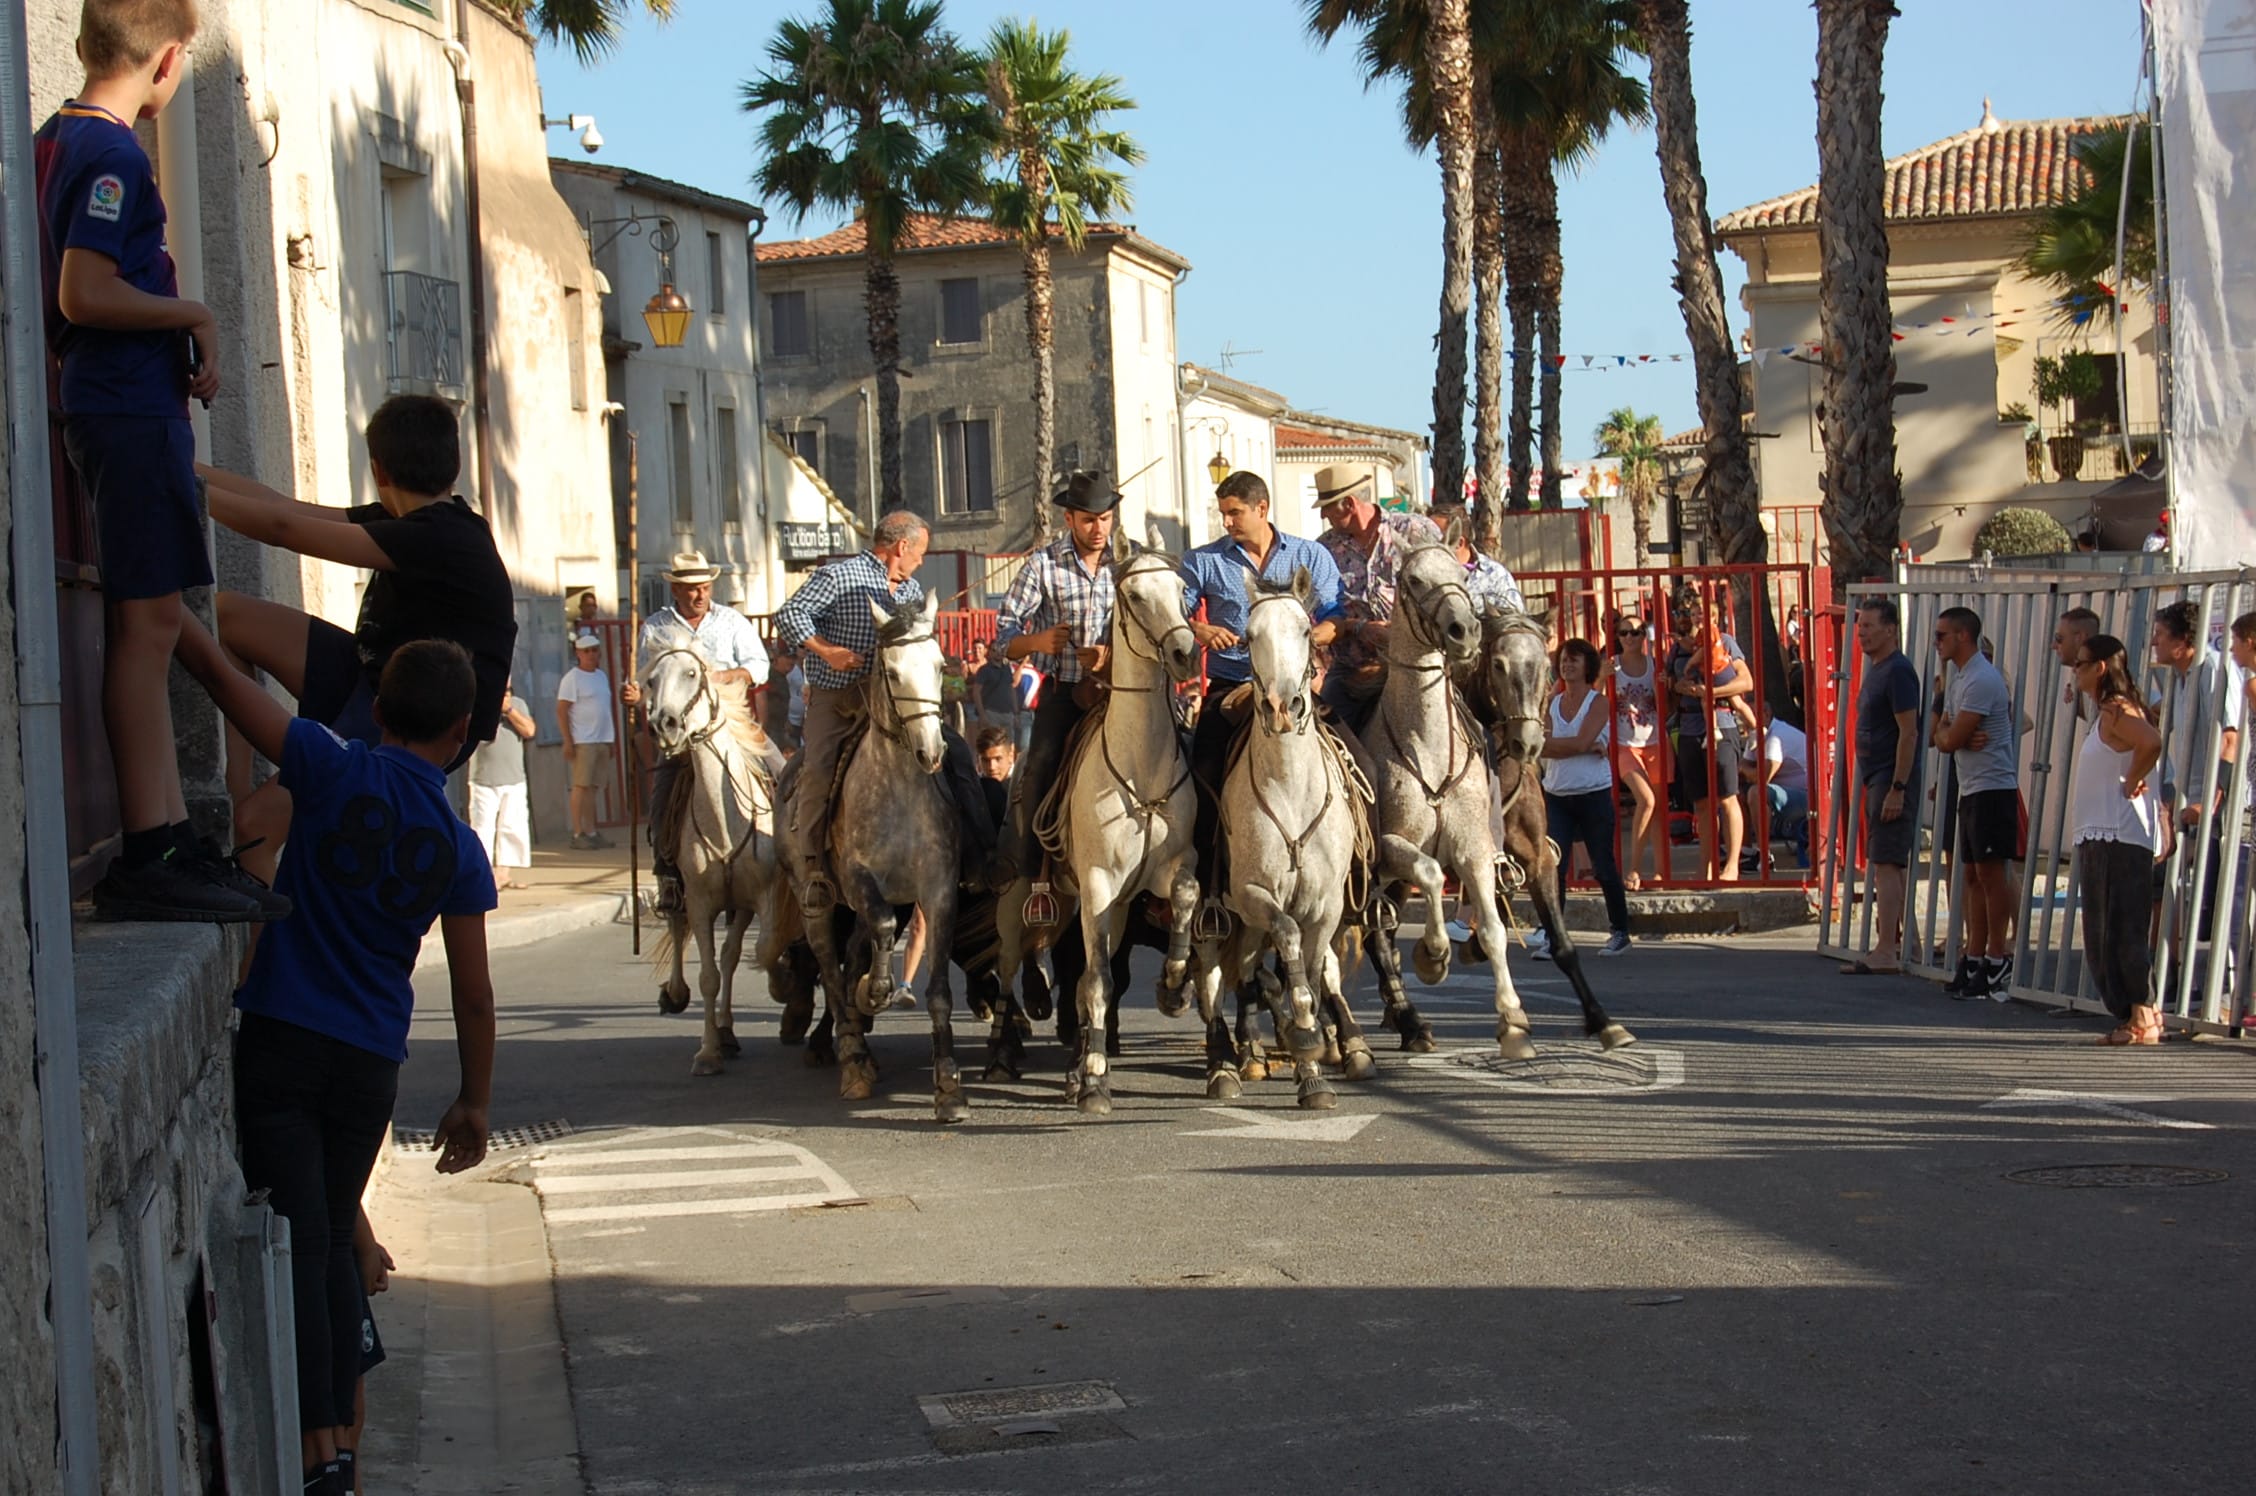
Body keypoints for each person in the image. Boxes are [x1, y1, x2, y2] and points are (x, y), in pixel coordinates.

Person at [172, 623, 495, 1496]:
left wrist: (183, 629)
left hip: (280, 1033)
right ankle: (339, 1449)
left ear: (378, 708)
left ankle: (321, 1449)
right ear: (459, 733)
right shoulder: (459, 848)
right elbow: (472, 992)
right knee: (331, 1236)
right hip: (368, 1063)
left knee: (306, 1240)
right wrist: (474, 1099)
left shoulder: (330, 764)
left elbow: (232, 694)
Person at [36, 0, 261, 922]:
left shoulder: (57, 137)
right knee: (144, 631)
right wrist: (194, 316)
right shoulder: (113, 154)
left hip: (125, 406)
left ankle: (167, 835)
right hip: (125, 412)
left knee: (156, 621)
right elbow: (84, 292)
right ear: (170, 61)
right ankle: (149, 844)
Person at [202, 395, 517, 891]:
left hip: (418, 723)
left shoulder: (439, 537)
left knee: (256, 828)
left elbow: (281, 528)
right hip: (371, 680)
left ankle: (260, 956)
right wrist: (183, 465)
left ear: (379, 469)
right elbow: (281, 506)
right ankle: (233, 793)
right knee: (229, 616)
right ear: (452, 466)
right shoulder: (416, 520)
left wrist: (175, 486)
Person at [775, 510, 997, 913]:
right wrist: (829, 651)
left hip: (895, 701)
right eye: (921, 551)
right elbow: (789, 614)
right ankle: (813, 868)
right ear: (902, 546)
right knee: (820, 767)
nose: (922, 561)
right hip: (838, 694)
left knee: (957, 755)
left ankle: (979, 854)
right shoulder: (840, 576)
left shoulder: (911, 592)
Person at [1180, 471, 1344, 899]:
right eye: (1224, 514)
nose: (1227, 522)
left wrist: (1322, 631)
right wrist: (1200, 629)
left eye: (1235, 513)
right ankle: (1210, 891)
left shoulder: (1310, 556)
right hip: (1232, 683)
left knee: (1356, 762)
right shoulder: (1203, 561)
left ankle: (1363, 874)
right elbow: (1174, 613)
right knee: (1203, 777)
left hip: (1298, 688)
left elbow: (1334, 610)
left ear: (1262, 509)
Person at [618, 551, 772, 910]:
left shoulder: (731, 621)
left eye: (704, 587)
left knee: (781, 772)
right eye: (691, 588)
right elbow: (645, 681)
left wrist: (721, 677)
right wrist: (636, 694)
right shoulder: (656, 627)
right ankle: (668, 874)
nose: (699, 594)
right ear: (675, 589)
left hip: (731, 726)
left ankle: (792, 862)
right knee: (661, 799)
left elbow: (759, 666)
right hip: (680, 735)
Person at [993, 472, 1123, 885]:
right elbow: (1002, 638)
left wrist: (1111, 654)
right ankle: (1035, 879)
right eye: (1089, 520)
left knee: (1179, 754)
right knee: (1042, 765)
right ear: (1069, 519)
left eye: (1105, 518)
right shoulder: (1043, 564)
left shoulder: (1131, 560)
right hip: (1065, 692)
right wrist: (1037, 640)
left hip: (1125, 691)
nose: (1098, 528)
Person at [2067, 633, 2164, 1044]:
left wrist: (2136, 778)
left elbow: (2151, 742)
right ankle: (2138, 1014)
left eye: (2081, 664)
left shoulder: (2116, 710)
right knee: (2111, 928)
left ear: (2100, 668)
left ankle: (2140, 1013)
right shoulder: (2107, 712)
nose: (2075, 671)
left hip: (2116, 835)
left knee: (2117, 928)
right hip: (2103, 834)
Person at [1313, 464, 1442, 739]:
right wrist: (1360, 628)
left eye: (1327, 506)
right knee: (1325, 736)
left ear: (1349, 503)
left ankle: (1491, 778)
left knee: (1473, 732)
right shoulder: (1323, 550)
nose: (1323, 514)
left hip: (1418, 664)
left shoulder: (1416, 530)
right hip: (1352, 672)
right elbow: (1318, 612)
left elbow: (1442, 588)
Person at [1931, 606, 2020, 999]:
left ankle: (1997, 957)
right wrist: (1954, 734)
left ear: (1962, 636)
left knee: (1990, 874)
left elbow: (1948, 739)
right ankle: (1974, 953)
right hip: (1970, 787)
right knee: (1969, 875)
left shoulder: (1983, 679)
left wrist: (1954, 735)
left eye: (1942, 636)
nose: (1937, 643)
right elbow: (1939, 734)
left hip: (1992, 788)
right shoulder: (1958, 679)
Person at [1534, 637, 1632, 958]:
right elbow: (1540, 745)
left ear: (1587, 665)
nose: (1567, 664)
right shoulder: (1551, 703)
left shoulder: (1599, 703)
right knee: (1554, 870)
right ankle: (1554, 937)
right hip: (1557, 796)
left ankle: (1620, 931)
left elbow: (1576, 742)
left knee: (1603, 866)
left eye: (1574, 659)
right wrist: (1578, 746)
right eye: (1563, 659)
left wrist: (1576, 745)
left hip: (1592, 796)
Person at [1839, 598, 1921, 977]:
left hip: (1890, 778)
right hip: (1878, 777)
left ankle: (1886, 948)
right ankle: (1908, 944)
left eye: (1870, 626)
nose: (1862, 633)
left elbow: (1909, 732)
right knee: (1892, 864)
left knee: (1886, 863)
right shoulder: (1877, 669)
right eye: (1860, 626)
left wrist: (1898, 787)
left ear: (1891, 629)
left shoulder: (1898, 672)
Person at [1665, 585, 1752, 881]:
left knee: (1727, 796)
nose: (1700, 617)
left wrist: (1711, 692)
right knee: (1701, 801)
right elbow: (1671, 682)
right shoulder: (1679, 647)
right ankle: (1707, 865)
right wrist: (1679, 686)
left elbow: (1745, 682)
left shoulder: (1725, 642)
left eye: (1706, 612)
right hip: (1689, 726)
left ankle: (1732, 865)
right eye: (1694, 612)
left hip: (1722, 723)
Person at [1606, 608, 1665, 887]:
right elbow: (1594, 697)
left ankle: (1662, 872)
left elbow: (1666, 706)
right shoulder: (1612, 666)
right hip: (1625, 745)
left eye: (1636, 632)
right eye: (1624, 632)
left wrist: (1667, 687)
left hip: (1655, 742)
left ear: (1644, 636)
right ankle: (1633, 869)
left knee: (1658, 810)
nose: (1630, 636)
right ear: (1617, 636)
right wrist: (1598, 678)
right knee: (1647, 800)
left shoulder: (1654, 665)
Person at [467, 681, 535, 890]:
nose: (504, 693)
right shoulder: (477, 704)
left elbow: (529, 730)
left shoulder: (518, 704)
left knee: (512, 827)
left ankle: (503, 874)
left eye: (507, 689)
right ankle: (483, 875)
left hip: (514, 777)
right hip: (483, 778)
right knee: (482, 828)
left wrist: (509, 710)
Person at [555, 631, 616, 851]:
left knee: (593, 787)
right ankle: (578, 831)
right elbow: (562, 710)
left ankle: (591, 830)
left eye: (594, 650)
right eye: (586, 651)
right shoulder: (572, 678)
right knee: (580, 786)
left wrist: (610, 741)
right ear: (578, 653)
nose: (591, 654)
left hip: (601, 739)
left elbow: (605, 710)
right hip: (583, 740)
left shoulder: (601, 676)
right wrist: (568, 740)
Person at [1428, 500, 1524, 613]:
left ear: (1458, 543)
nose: (1428, 544)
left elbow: (1515, 624)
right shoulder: (1423, 578)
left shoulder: (1495, 576)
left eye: (1434, 538)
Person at [1757, 706, 1811, 869]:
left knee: (1756, 793)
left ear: (1766, 714)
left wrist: (1745, 770)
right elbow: (1745, 766)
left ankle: (1764, 854)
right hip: (1788, 792)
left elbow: (1762, 777)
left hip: (1808, 797)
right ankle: (1747, 853)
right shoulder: (1758, 734)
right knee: (1739, 795)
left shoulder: (1776, 736)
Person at [2053, 606, 2101, 718]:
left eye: (2059, 638)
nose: (2054, 646)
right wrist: (2078, 706)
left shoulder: (2106, 676)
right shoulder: (2086, 676)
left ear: (2080, 637)